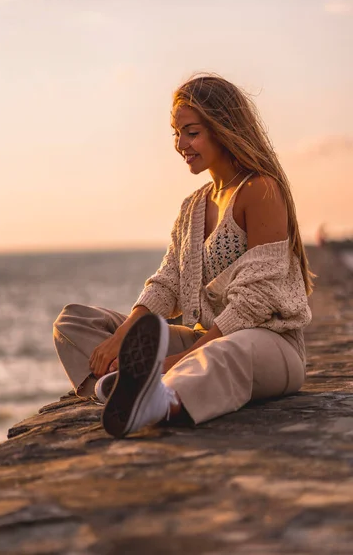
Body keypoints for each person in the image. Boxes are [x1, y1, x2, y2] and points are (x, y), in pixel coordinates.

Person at [53, 74, 313, 438]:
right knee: (74, 321)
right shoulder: (192, 206)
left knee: (224, 353)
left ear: (224, 127)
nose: (181, 144)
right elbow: (167, 282)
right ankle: (117, 387)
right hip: (204, 337)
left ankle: (161, 401)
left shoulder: (261, 190)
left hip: (267, 345)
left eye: (191, 132)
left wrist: (179, 360)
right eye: (176, 133)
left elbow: (256, 301)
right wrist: (123, 334)